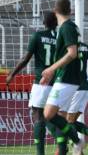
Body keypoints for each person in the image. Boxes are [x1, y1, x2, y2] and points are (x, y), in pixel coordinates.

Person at [6, 12, 58, 155]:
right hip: (56, 83)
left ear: (43, 22)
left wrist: (12, 74)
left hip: (41, 82)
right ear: (56, 23)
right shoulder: (60, 38)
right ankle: (65, 142)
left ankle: (41, 152)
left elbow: (25, 59)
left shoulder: (38, 36)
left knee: (38, 115)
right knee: (53, 117)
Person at [40, 0, 84, 155]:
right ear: (70, 11)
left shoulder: (66, 27)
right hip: (67, 78)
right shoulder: (71, 27)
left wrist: (51, 69)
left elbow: (72, 53)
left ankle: (77, 141)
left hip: (66, 78)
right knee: (61, 117)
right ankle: (63, 149)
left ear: (55, 11)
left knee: (48, 114)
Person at [55, 42, 88, 155]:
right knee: (70, 121)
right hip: (85, 89)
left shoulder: (66, 46)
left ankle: (67, 146)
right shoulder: (85, 46)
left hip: (74, 89)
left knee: (64, 120)